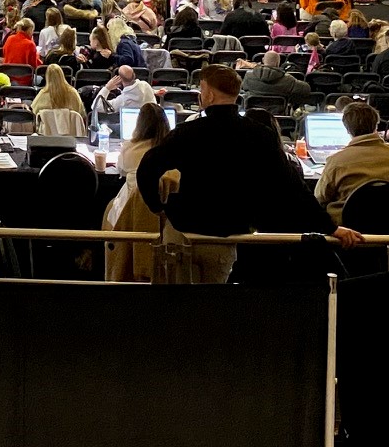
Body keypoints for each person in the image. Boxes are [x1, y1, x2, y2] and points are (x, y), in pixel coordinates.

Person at [134, 65, 359, 282]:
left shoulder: (186, 132)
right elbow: (294, 187)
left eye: (201, 90)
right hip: (228, 237)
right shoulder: (261, 135)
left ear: (209, 94)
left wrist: (158, 206)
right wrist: (331, 227)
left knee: (180, 307)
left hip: (186, 233)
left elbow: (147, 168)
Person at [103, 101, 170, 281]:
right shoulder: (170, 151)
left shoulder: (128, 147)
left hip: (129, 209)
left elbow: (121, 170)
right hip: (164, 216)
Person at [313, 102, 389, 223]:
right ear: (376, 126)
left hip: (345, 230)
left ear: (347, 129)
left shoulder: (337, 160)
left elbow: (320, 197)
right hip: (387, 224)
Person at [31, 63, 87, 137]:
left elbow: (34, 113)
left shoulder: (43, 94)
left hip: (47, 136)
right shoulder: (73, 92)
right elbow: (81, 113)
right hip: (72, 135)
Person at [241, 50, 311, 104]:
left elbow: (243, 88)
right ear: (278, 63)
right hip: (279, 117)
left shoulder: (248, 76)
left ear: (263, 60)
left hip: (252, 115)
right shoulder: (288, 79)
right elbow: (306, 89)